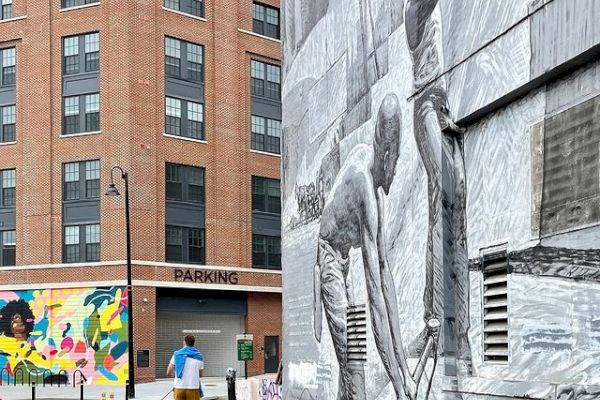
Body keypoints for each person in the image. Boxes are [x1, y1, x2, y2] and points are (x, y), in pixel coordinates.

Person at [313, 93, 417, 400]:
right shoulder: (364, 188)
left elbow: (386, 282)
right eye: (395, 163)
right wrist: (399, 386)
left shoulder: (369, 173)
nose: (395, 174)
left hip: (341, 260)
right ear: (386, 155)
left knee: (349, 358)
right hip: (328, 257)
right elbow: (376, 303)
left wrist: (404, 374)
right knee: (354, 356)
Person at [167, 335, 204, 400]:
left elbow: (169, 372)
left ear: (184, 342)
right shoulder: (199, 356)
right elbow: (200, 375)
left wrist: (177, 376)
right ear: (193, 343)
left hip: (179, 387)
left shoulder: (177, 354)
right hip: (193, 388)